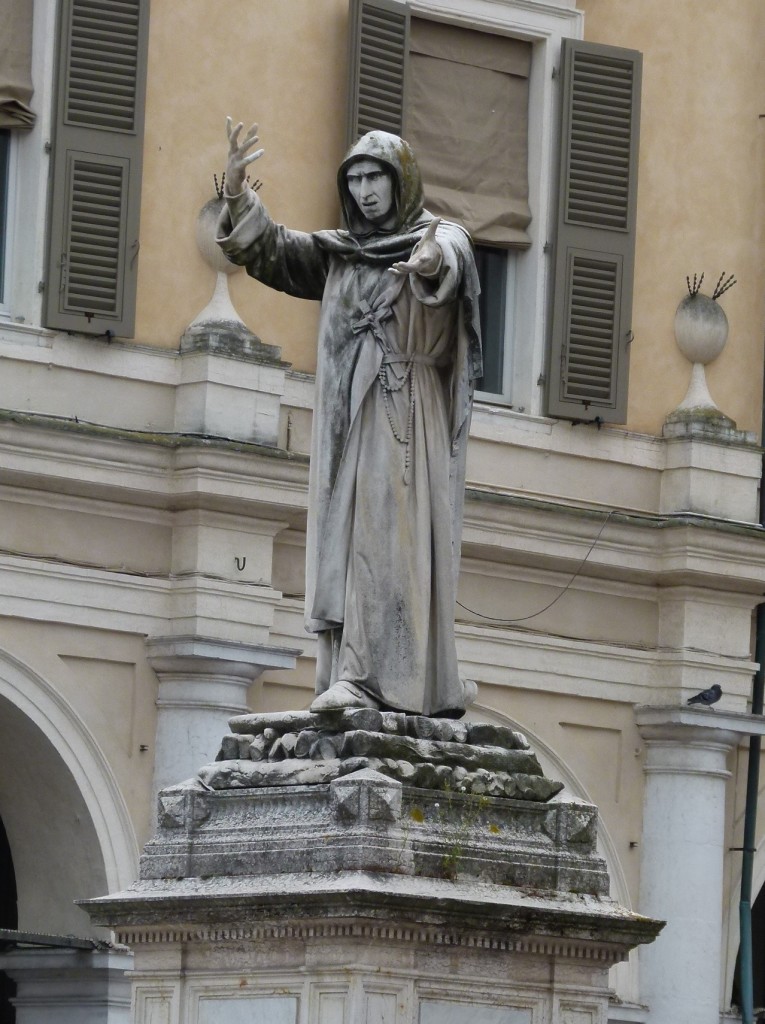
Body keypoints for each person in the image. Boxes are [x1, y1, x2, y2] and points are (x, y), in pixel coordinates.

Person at [217, 120, 482, 717]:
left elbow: (452, 259)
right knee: (346, 538)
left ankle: (371, 676)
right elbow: (275, 251)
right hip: (345, 416)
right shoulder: (341, 253)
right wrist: (236, 194)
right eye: (355, 179)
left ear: (400, 183)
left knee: (385, 539)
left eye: (375, 178)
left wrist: (433, 258)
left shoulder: (435, 237)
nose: (364, 191)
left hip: (402, 411)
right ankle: (347, 671)